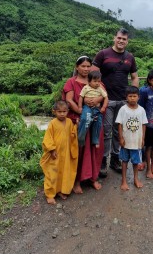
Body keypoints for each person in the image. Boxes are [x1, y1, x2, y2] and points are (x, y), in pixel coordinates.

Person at [92, 28, 139, 177]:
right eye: (119, 38)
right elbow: (93, 76)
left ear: (127, 41)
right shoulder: (103, 54)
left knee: (119, 132)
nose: (121, 41)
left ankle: (115, 159)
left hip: (123, 100)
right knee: (106, 132)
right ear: (114, 38)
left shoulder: (130, 57)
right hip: (107, 100)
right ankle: (103, 161)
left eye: (124, 39)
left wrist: (133, 95)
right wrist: (98, 96)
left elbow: (135, 77)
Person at [63, 56, 105, 193]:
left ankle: (93, 177)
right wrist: (81, 112)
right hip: (79, 120)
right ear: (77, 67)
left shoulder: (95, 79)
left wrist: (97, 100)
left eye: (88, 66)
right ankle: (76, 181)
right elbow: (69, 100)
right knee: (78, 151)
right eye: (83, 66)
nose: (86, 69)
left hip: (95, 120)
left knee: (94, 148)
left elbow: (104, 96)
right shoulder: (71, 82)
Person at [39, 100, 78, 204]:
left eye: (64, 111)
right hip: (55, 154)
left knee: (64, 173)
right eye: (59, 111)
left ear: (68, 111)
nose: (62, 114)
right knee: (52, 174)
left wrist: (76, 126)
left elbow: (72, 135)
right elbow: (48, 138)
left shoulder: (69, 122)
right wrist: (51, 149)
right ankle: (50, 194)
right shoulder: (52, 123)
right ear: (54, 111)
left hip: (65, 155)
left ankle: (61, 190)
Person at [115, 86, 148, 191]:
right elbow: (119, 124)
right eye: (130, 96)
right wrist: (120, 138)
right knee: (124, 161)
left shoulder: (141, 110)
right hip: (126, 141)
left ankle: (135, 178)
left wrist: (143, 138)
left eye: (134, 96)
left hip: (137, 142)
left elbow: (143, 125)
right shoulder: (123, 109)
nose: (132, 98)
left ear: (138, 97)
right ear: (126, 97)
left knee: (135, 162)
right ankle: (124, 180)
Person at [77, 70, 108, 147]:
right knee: (84, 119)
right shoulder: (86, 88)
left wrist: (104, 107)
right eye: (95, 81)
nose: (97, 83)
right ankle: (81, 137)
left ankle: (95, 140)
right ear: (89, 81)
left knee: (98, 122)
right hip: (87, 108)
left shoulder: (100, 88)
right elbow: (81, 97)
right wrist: (80, 107)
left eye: (99, 81)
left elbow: (106, 97)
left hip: (97, 109)